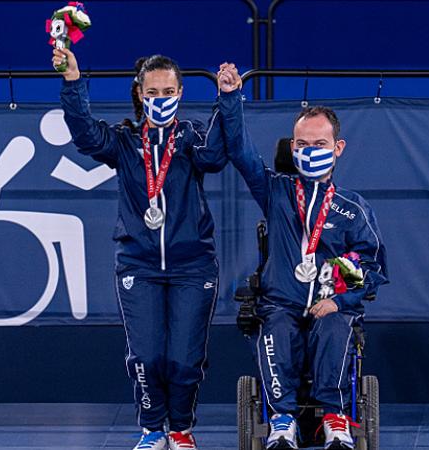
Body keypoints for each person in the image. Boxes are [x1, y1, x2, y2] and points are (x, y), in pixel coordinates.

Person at [53, 47, 228, 450]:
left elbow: (217, 157)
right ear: (140, 93)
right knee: (147, 358)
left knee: (185, 360)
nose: (161, 100)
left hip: (193, 266)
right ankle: (152, 428)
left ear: (181, 93)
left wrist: (228, 99)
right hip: (138, 264)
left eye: (168, 91)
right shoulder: (124, 142)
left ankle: (181, 429)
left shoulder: (192, 137)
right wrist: (73, 81)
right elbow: (83, 134)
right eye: (153, 93)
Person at [215, 63, 388, 450]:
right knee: (274, 324)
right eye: (303, 145)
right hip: (283, 302)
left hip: (332, 305)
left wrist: (339, 298)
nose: (311, 152)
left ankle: (335, 419)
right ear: (293, 148)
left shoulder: (351, 209)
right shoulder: (276, 192)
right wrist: (230, 99)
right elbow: (242, 153)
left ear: (337, 148)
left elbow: (371, 264)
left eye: (320, 145)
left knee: (335, 326)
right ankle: (282, 420)